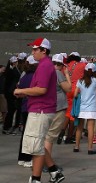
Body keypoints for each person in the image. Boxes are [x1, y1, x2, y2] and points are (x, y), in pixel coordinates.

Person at [13, 38, 65, 183]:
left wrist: (21, 90)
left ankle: (36, 179)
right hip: (42, 109)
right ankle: (54, 172)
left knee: (36, 147)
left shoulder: (44, 66)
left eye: (35, 49)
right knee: (39, 143)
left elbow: (41, 89)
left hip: (40, 111)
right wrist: (26, 93)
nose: (33, 52)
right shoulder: (45, 65)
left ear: (44, 50)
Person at [44, 54, 72, 165]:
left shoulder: (46, 71)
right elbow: (68, 88)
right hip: (57, 107)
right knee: (49, 137)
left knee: (46, 135)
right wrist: (66, 74)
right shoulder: (58, 73)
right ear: (60, 65)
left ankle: (42, 161)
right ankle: (47, 163)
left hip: (47, 106)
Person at [73, 62, 96, 154]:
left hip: (82, 107)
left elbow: (75, 94)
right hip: (91, 108)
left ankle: (76, 146)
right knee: (90, 128)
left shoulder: (80, 81)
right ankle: (90, 148)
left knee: (79, 128)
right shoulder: (95, 81)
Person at [17, 55, 38, 167]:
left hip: (24, 107)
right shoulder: (35, 77)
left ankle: (22, 157)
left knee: (25, 134)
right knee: (32, 134)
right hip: (33, 107)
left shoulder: (23, 77)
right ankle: (29, 158)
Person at [3, 56, 21, 135]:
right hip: (10, 92)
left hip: (10, 92)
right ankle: (6, 127)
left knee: (11, 109)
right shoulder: (11, 70)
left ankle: (7, 126)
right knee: (11, 110)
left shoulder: (11, 70)